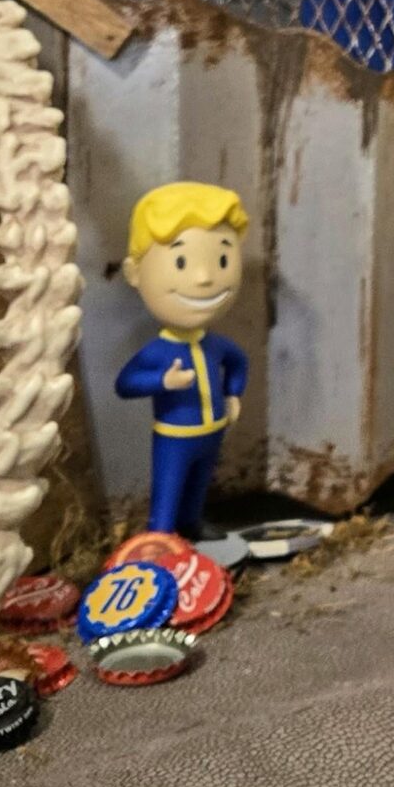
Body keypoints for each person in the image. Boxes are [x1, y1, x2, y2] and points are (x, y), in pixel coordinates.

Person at [114, 182, 251, 536]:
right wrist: (162, 381)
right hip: (174, 436)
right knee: (169, 489)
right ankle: (160, 537)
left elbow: (238, 362)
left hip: (212, 432)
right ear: (134, 273)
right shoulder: (157, 352)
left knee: (199, 484)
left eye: (222, 260)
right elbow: (125, 384)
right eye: (181, 262)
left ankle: (192, 524)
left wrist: (234, 394)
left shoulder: (216, 345)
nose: (204, 278)